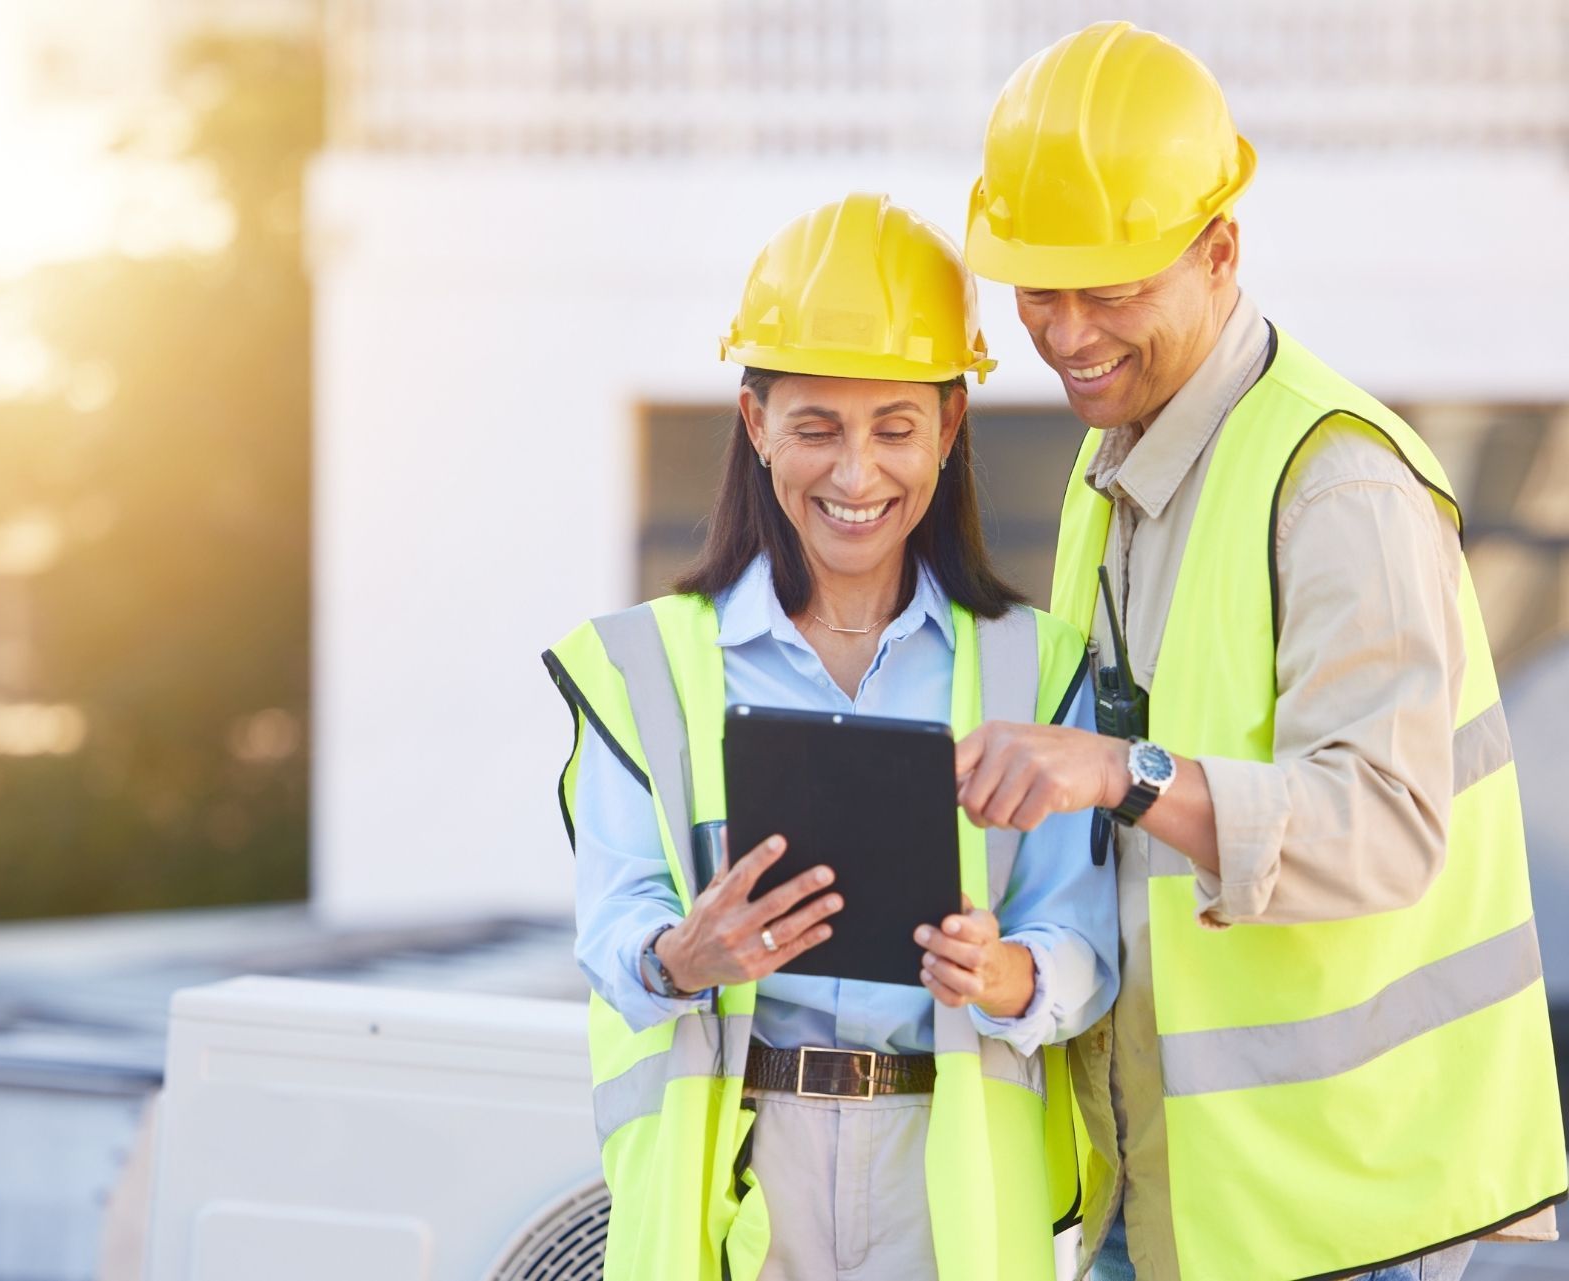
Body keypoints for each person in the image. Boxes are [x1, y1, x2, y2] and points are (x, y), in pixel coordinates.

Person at [954, 21, 1568, 1281]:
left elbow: (1390, 825)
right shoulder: (1112, 463)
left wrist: (1124, 774)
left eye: (1110, 289)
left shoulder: (1337, 486)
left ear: (1220, 252)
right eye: (1038, 290)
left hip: (1340, 1210)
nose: (1066, 335)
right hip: (1166, 1191)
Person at [542, 192, 1118, 1281]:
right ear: (756, 425)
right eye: (816, 429)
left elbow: (1086, 950)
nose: (857, 477)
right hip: (743, 1183)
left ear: (949, 430)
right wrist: (682, 956)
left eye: (895, 429)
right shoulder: (643, 670)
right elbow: (613, 926)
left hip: (943, 1191)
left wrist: (1004, 975)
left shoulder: (1036, 668)